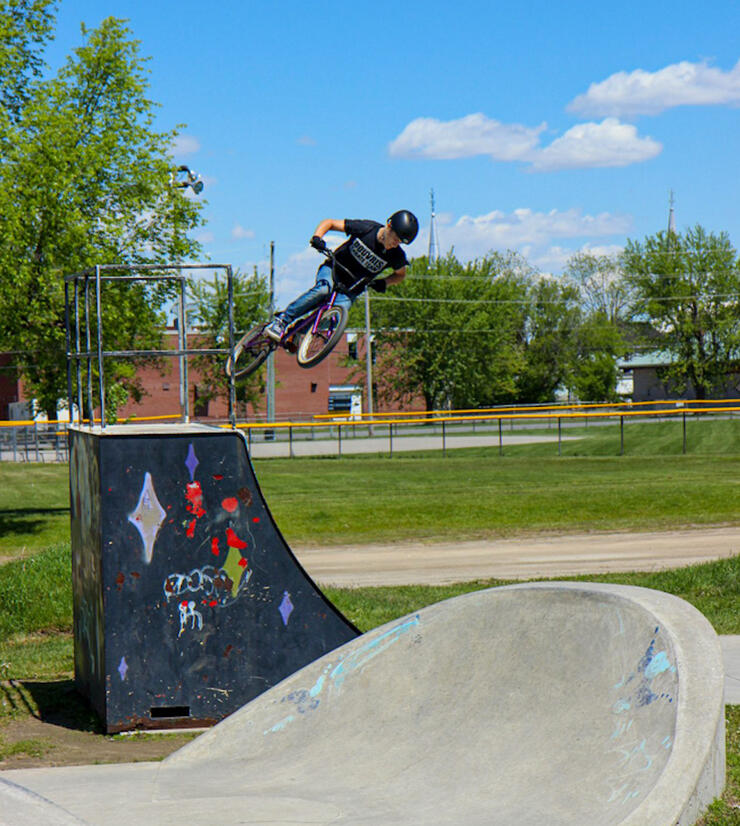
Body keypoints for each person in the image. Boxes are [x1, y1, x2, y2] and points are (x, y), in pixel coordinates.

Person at [264, 210, 419, 342]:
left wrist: (384, 283)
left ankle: (298, 333)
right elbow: (329, 223)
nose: (395, 244)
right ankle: (281, 321)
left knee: (336, 317)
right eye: (395, 238)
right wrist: (318, 237)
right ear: (389, 226)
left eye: (400, 242)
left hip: (350, 289)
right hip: (333, 271)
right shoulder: (366, 228)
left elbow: (400, 275)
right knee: (323, 290)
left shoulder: (396, 255)